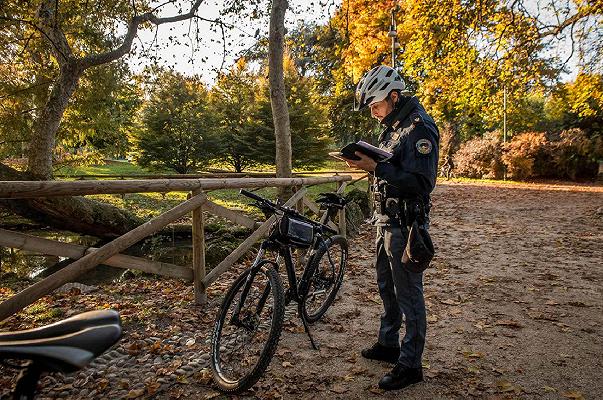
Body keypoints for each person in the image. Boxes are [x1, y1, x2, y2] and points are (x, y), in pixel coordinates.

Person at [346, 65, 439, 391]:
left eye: (375, 105)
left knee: (409, 295)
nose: (373, 112)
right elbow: (390, 167)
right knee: (387, 288)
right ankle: (389, 344)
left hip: (405, 226)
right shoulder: (393, 126)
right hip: (385, 221)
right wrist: (370, 164)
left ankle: (410, 364)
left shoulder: (420, 129)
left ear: (394, 96)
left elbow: (421, 183)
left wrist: (377, 167)